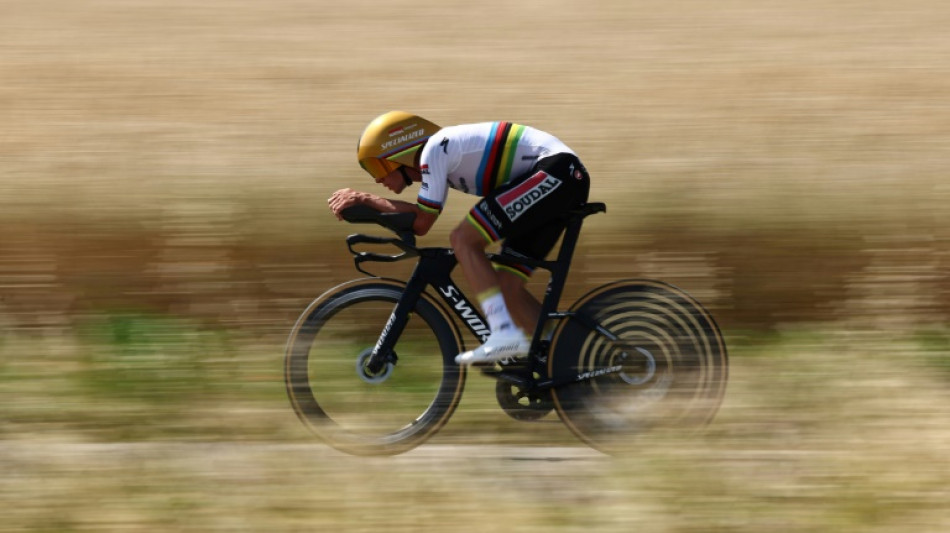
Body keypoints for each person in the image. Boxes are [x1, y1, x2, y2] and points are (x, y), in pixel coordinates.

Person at [328, 111, 590, 365]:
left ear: (400, 153)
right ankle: (567, 356)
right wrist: (368, 208)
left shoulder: (434, 150)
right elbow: (419, 219)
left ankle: (503, 332)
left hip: (557, 169)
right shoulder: (440, 154)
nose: (378, 179)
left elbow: (421, 223)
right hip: (560, 177)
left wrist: (367, 200)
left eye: (379, 166)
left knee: (464, 239)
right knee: (505, 287)